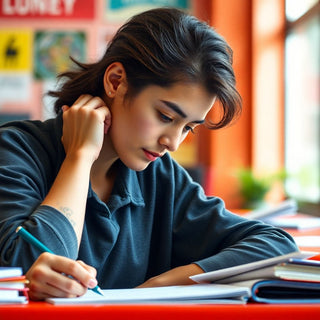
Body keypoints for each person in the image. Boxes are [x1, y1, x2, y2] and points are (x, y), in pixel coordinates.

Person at [0, 8, 297, 301]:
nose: (173, 143)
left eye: (188, 128)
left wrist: (164, 284)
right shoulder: (15, 149)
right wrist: (79, 158)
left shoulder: (161, 176)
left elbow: (275, 245)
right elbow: (30, 266)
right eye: (165, 116)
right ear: (116, 81)